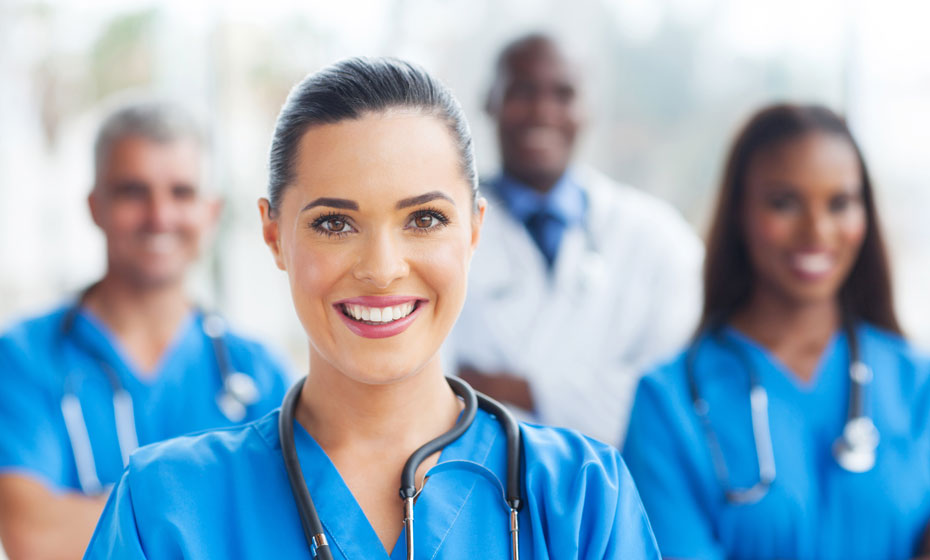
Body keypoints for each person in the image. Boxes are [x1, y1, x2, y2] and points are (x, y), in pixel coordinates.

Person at [83, 57, 660, 559]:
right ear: (273, 233)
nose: (381, 268)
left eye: (425, 219)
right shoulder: (163, 506)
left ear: (475, 229)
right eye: (334, 223)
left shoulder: (581, 497)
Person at [622, 103, 930, 559]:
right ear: (739, 213)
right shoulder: (668, 403)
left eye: (840, 203)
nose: (817, 230)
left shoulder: (916, 384)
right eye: (784, 202)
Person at [0, 101, 291, 559]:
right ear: (95, 207)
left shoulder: (258, 371)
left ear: (210, 211)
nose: (159, 215)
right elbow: (33, 538)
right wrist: (224, 517)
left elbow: (288, 533)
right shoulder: (22, 357)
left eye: (181, 192)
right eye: (133, 192)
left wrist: (110, 521)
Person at [445, 33, 703, 445]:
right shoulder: (438, 232)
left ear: (587, 110)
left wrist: (514, 388)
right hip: (478, 487)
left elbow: (668, 401)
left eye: (563, 94)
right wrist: (592, 393)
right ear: (489, 101)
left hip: (621, 493)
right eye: (522, 91)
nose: (542, 112)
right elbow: (428, 391)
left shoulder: (659, 238)